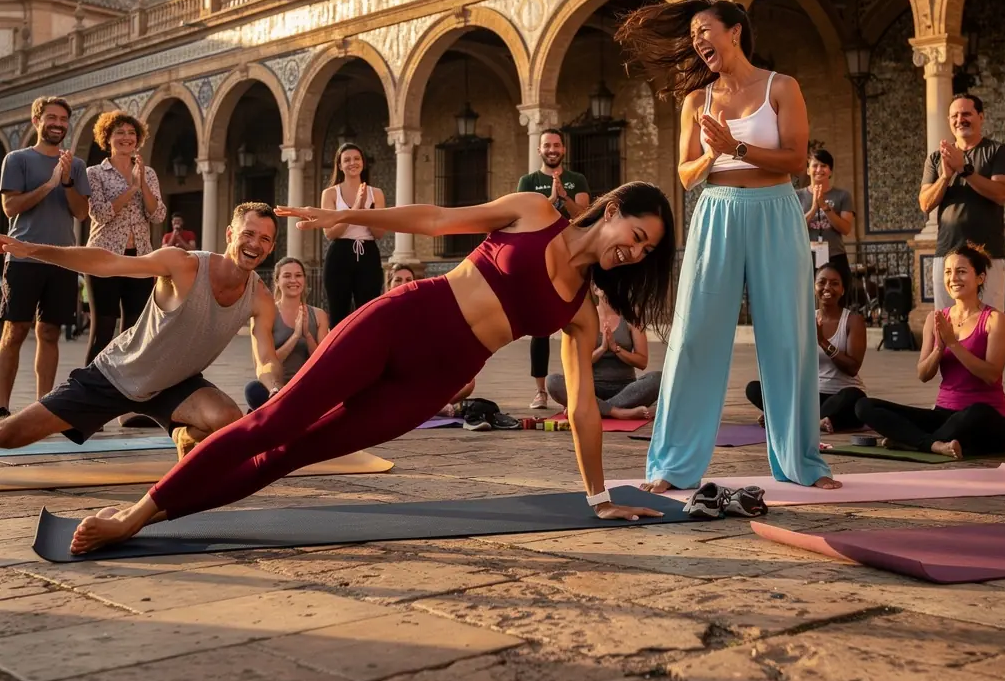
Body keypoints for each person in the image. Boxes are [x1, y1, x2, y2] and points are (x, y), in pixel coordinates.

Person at [65, 181, 676, 554]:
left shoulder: (579, 313)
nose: (634, 250)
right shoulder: (534, 214)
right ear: (614, 207)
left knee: (290, 456)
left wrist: (599, 497)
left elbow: (584, 409)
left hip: (427, 384)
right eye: (638, 232)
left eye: (646, 250)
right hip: (397, 323)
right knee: (273, 424)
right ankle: (135, 515)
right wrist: (351, 221)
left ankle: (157, 514)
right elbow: (437, 219)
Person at [618, 0, 838, 492]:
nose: (698, 41)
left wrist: (736, 147)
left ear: (735, 32)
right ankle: (672, 465)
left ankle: (802, 462)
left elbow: (795, 158)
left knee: (788, 338)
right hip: (715, 213)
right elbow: (686, 174)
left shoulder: (782, 87)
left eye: (704, 30)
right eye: (693, 34)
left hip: (776, 211)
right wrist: (713, 153)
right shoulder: (697, 101)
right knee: (695, 337)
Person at [0, 202, 284, 459]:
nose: (255, 244)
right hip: (118, 374)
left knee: (227, 418)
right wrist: (32, 250)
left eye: (264, 239)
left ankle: (184, 437)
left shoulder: (260, 297)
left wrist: (274, 388)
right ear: (230, 234)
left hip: (174, 384)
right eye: (248, 233)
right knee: (10, 436)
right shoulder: (184, 265)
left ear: (271, 247)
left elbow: (265, 358)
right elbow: (109, 263)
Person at [855, 244, 1005, 459]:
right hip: (943, 415)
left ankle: (911, 441)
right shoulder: (936, 319)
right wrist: (940, 347)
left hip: (987, 420)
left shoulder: (995, 320)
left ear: (980, 278)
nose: (953, 278)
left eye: (961, 271)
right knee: (864, 406)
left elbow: (991, 375)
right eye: (948, 272)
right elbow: (923, 374)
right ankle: (934, 444)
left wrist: (954, 344)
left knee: (975, 413)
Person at [0, 96, 91, 414]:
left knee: (50, 332)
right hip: (23, 257)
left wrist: (65, 182)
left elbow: (81, 213)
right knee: (15, 330)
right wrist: (48, 185)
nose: (58, 124)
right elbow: (10, 207)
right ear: (37, 121)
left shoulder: (75, 165)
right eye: (51, 117)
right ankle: (1, 405)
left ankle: (43, 406)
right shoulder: (17, 159)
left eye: (64, 119)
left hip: (61, 259)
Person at [517, 128, 591, 410]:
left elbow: (583, 217)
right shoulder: (528, 181)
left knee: (576, 322)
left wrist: (564, 197)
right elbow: (522, 217)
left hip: (572, 258)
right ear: (539, 150)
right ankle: (541, 391)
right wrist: (549, 202)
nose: (552, 149)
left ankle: (578, 387)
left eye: (557, 145)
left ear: (564, 150)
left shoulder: (577, 180)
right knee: (540, 327)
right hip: (540, 258)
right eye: (547, 145)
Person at [84, 111, 167, 366]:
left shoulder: (148, 173)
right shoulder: (95, 173)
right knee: (104, 327)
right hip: (103, 256)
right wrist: (130, 188)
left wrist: (141, 183)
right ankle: (86, 391)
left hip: (139, 259)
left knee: (133, 329)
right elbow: (100, 213)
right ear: (107, 138)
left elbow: (158, 215)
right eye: (119, 132)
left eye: (131, 133)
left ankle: (121, 391)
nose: (126, 137)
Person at [919, 94, 1005, 312]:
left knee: (989, 325)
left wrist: (964, 169)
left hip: (988, 255)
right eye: (954, 115)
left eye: (966, 114)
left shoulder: (997, 151)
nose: (960, 119)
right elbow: (925, 203)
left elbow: (1001, 193)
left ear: (980, 117)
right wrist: (945, 176)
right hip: (947, 255)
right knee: (947, 324)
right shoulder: (936, 158)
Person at [745, 263, 866, 433]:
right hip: (809, 397)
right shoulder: (804, 318)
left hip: (840, 396)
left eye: (834, 283)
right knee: (754, 388)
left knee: (854, 397)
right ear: (814, 287)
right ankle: (811, 420)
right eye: (822, 282)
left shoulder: (853, 321)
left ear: (843, 290)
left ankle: (788, 418)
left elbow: (852, 368)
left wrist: (822, 340)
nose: (827, 288)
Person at [547, 283, 660, 420]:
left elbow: (642, 361)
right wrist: (602, 349)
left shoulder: (630, 317)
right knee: (553, 381)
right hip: (590, 388)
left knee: (657, 379)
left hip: (625, 389)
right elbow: (576, 363)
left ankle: (597, 408)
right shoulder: (586, 317)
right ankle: (617, 412)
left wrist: (616, 349)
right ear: (595, 289)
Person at [386, 262, 477, 414]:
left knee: (469, 381)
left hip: (422, 374)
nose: (403, 284)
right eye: (398, 280)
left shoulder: (424, 311)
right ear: (389, 286)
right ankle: (430, 407)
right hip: (395, 376)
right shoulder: (382, 311)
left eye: (408, 280)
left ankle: (428, 407)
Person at [244, 257, 329, 412]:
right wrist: (295, 336)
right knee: (253, 390)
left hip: (306, 386)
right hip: (276, 388)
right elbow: (262, 364)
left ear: (304, 280)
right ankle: (283, 409)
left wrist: (307, 335)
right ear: (277, 281)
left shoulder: (319, 315)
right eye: (287, 276)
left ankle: (280, 412)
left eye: (298, 275)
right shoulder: (265, 314)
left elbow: (323, 362)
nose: (293, 280)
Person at [321, 143, 386, 327]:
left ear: (363, 163)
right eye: (347, 160)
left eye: (356, 158)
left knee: (367, 314)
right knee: (338, 314)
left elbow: (379, 233)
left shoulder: (376, 194)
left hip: (368, 253)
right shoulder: (330, 193)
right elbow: (330, 233)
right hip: (340, 253)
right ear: (340, 166)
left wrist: (365, 211)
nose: (352, 163)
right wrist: (355, 208)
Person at [797, 149, 854, 293]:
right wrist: (813, 208)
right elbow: (794, 228)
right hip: (806, 257)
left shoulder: (842, 196)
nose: (819, 170)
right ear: (808, 170)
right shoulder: (797, 196)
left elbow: (846, 229)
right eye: (815, 165)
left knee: (836, 300)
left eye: (824, 166)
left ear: (830, 171)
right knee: (807, 301)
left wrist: (825, 207)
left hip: (834, 256)